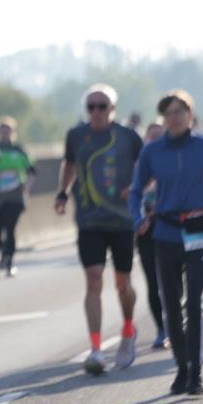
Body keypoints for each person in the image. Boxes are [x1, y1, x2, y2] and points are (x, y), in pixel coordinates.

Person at [129, 89, 203, 396]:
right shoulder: (153, 151)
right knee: (171, 307)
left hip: (198, 227)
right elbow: (136, 191)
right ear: (163, 119)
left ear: (190, 115)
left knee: (194, 302)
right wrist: (138, 220)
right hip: (165, 230)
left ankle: (197, 372)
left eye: (179, 111)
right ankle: (182, 368)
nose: (174, 117)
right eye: (168, 113)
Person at [55, 84, 143, 375]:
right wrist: (62, 192)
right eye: (91, 106)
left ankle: (129, 329)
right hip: (89, 221)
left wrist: (138, 189)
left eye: (101, 106)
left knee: (122, 284)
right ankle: (95, 350)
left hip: (122, 221)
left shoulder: (128, 137)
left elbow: (147, 168)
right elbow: (69, 165)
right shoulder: (76, 135)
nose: (95, 111)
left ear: (112, 109)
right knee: (93, 280)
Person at [0, 116, 35, 276]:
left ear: (13, 132)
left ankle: (9, 261)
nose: (5, 133)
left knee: (10, 229)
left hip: (15, 195)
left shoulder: (19, 150)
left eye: (8, 130)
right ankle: (4, 251)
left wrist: (27, 187)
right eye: (2, 130)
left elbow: (31, 171)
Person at [135, 119, 169, 349]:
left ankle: (178, 318)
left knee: (174, 282)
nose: (154, 140)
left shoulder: (175, 162)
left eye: (160, 136)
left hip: (172, 229)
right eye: (151, 136)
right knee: (152, 282)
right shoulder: (137, 166)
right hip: (146, 230)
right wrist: (139, 217)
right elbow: (131, 196)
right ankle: (161, 329)